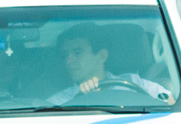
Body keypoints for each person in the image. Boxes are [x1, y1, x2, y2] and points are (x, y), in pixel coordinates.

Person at [45, 24, 173, 106]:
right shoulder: (59, 102)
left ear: (102, 56)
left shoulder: (134, 83)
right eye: (65, 55)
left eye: (77, 53)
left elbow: (172, 104)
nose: (68, 61)